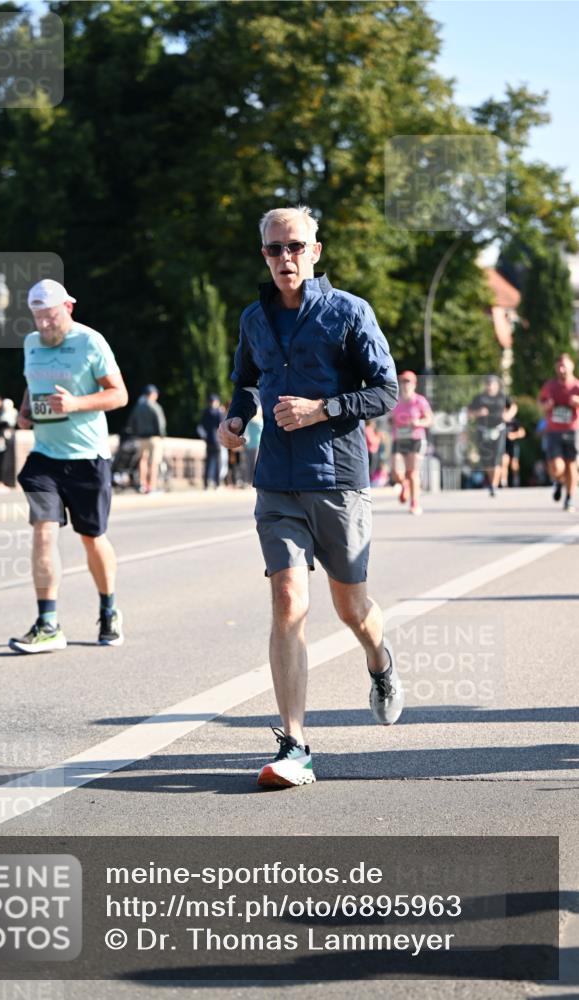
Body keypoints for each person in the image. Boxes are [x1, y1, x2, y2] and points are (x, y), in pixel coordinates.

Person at [218, 204, 401, 789]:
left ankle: (379, 659)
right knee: (288, 602)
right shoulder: (253, 317)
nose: (285, 258)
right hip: (276, 482)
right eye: (274, 249)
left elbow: (386, 390)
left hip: (339, 479)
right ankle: (294, 744)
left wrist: (323, 409)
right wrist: (235, 419)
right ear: (264, 255)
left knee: (352, 610)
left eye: (295, 246)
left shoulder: (350, 312)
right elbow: (246, 380)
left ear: (315, 251)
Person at [10, 279, 128, 653]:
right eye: (38, 318)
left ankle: (109, 609)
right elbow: (33, 384)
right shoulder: (31, 343)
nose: (44, 325)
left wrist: (76, 404)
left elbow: (118, 394)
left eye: (50, 317)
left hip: (87, 458)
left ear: (69, 308)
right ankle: (48, 623)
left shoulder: (90, 342)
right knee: (43, 530)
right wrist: (27, 410)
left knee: (92, 538)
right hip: (45, 457)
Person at [538, 352, 579, 512]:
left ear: (572, 366)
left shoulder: (576, 385)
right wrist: (546, 405)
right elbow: (541, 402)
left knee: (571, 466)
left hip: (573, 429)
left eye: (565, 365)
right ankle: (558, 481)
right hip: (554, 430)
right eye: (559, 366)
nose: (562, 369)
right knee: (557, 467)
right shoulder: (550, 385)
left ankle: (569, 498)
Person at [389, 371, 433, 515]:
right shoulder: (395, 401)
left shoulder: (420, 401)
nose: (405, 384)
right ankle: (404, 484)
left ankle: (415, 503)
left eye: (408, 382)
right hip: (399, 439)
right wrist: (391, 421)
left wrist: (418, 422)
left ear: (414, 384)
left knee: (412, 472)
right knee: (396, 472)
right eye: (403, 381)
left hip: (416, 438)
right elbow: (389, 419)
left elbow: (430, 420)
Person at [467, 375, 517, 496]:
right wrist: (478, 413)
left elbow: (513, 407)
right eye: (488, 384)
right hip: (483, 430)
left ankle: (494, 485)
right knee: (487, 460)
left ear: (497, 385)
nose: (490, 386)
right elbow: (468, 412)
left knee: (497, 458)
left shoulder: (503, 396)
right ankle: (491, 482)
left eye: (492, 384)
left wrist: (508, 415)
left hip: (498, 430)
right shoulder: (479, 398)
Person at [127, 384, 166, 493]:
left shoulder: (138, 407)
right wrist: (161, 435)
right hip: (153, 438)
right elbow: (160, 423)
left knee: (142, 461)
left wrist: (136, 433)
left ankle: (142, 484)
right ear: (153, 394)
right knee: (154, 462)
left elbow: (131, 422)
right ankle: (152, 486)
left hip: (140, 438)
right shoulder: (155, 406)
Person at [198, 394, 225, 489]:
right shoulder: (219, 412)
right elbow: (222, 426)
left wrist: (204, 437)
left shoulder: (205, 412)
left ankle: (206, 484)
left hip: (209, 440)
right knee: (217, 462)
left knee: (208, 462)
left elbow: (200, 427)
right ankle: (216, 483)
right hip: (217, 440)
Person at [501, 416, 526, 488]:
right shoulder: (500, 421)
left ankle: (516, 481)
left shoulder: (514, 421)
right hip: (503, 446)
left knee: (514, 464)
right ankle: (504, 483)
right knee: (504, 463)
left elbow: (522, 432)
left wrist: (514, 435)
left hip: (513, 445)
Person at [243, 406, 263, 485]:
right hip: (249, 445)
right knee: (248, 464)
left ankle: (253, 481)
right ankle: (248, 481)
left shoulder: (260, 421)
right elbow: (246, 432)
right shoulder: (250, 421)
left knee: (255, 464)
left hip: (257, 444)